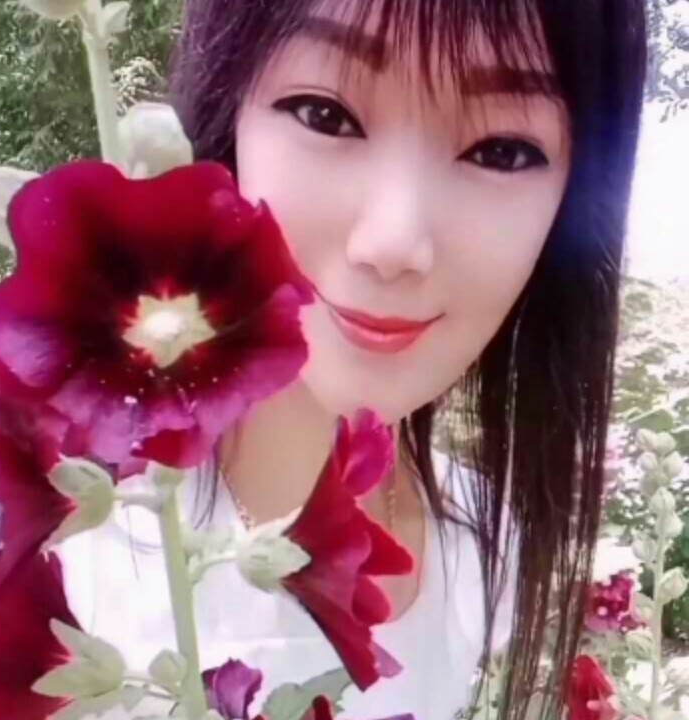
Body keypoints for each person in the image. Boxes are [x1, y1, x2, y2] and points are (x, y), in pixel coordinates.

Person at [57, 1, 648, 719]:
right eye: (325, 115)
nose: (394, 241)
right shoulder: (66, 534)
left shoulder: (481, 553)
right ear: (226, 113)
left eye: (501, 151)